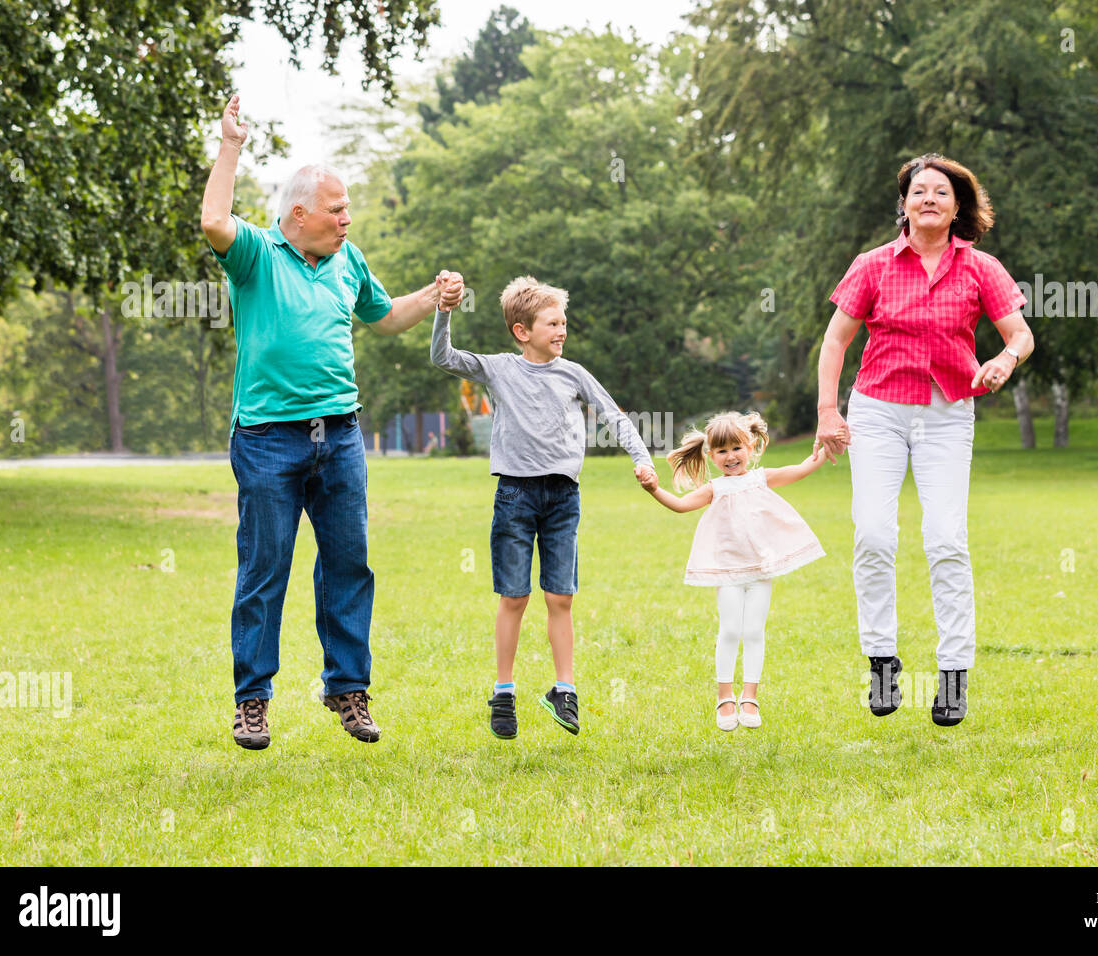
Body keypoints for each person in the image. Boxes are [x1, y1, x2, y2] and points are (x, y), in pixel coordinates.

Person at [201, 94, 464, 750]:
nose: (349, 218)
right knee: (264, 568)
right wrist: (230, 144)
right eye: (337, 209)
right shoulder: (257, 255)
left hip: (340, 434)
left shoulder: (348, 260)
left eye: (348, 207)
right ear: (298, 216)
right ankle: (251, 700)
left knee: (350, 562)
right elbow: (212, 220)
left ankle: (347, 688)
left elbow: (383, 317)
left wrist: (433, 298)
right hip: (267, 439)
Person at [814, 152, 1035, 727]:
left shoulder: (980, 267)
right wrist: (826, 412)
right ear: (904, 204)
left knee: (945, 539)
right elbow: (835, 342)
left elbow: (1021, 334)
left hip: (947, 413)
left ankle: (953, 675)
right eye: (919, 191)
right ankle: (882, 661)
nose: (929, 198)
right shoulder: (872, 265)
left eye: (941, 191)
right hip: (878, 411)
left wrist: (1004, 359)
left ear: (957, 206)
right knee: (873, 534)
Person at [430, 275, 656, 738]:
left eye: (564, 322)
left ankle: (564, 689)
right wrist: (444, 310)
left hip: (562, 498)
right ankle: (504, 691)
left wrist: (642, 459)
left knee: (561, 596)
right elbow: (442, 357)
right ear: (522, 331)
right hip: (514, 495)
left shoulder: (573, 374)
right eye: (552, 323)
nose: (562, 330)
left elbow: (614, 414)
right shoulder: (498, 369)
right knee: (514, 596)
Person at [639, 412, 831, 730]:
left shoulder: (761, 478)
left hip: (760, 569)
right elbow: (680, 504)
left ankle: (750, 696)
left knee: (754, 631)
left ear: (751, 446)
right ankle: (725, 696)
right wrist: (653, 489)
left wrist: (826, 447)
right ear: (711, 455)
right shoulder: (715, 489)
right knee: (730, 630)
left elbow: (801, 469)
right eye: (723, 451)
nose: (731, 457)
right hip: (727, 571)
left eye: (737, 448)